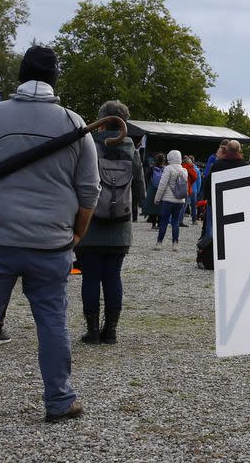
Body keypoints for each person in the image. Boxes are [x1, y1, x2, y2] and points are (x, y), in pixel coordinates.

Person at [0, 45, 100, 427]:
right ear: (54, 78)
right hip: (51, 241)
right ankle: (60, 400)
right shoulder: (74, 123)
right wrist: (77, 233)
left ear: (20, 74)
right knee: (51, 320)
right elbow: (89, 191)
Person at [74, 100, 145, 345]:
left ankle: (92, 331)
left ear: (102, 120)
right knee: (113, 276)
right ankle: (111, 331)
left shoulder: (89, 146)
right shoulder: (132, 150)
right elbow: (141, 192)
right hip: (120, 228)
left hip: (89, 224)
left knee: (91, 276)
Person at [154, 149, 188, 251]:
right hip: (180, 200)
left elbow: (162, 185)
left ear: (169, 158)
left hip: (168, 200)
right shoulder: (184, 170)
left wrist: (157, 198)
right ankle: (175, 244)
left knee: (164, 221)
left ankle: (159, 243)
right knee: (175, 221)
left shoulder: (168, 168)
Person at [142, 153, 165, 229]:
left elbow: (147, 177)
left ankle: (153, 224)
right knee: (160, 207)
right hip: (161, 189)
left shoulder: (152, 168)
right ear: (163, 160)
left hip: (152, 189)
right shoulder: (165, 169)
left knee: (152, 207)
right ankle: (159, 224)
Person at [179, 155, 199, 227]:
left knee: (179, 205)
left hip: (179, 187)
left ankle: (175, 220)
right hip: (188, 188)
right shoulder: (189, 167)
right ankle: (180, 220)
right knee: (186, 205)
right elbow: (195, 177)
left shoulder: (180, 166)